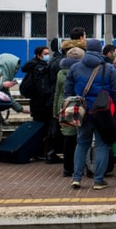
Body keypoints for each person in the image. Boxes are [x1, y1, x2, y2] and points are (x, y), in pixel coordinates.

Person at [65, 39, 116, 190]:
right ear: (100, 50)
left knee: (81, 143)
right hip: (102, 112)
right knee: (102, 145)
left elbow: (68, 90)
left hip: (83, 112)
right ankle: (98, 180)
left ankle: (76, 178)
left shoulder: (75, 67)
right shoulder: (108, 68)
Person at [21, 45, 60, 163]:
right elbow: (43, 88)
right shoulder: (40, 68)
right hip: (42, 104)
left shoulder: (33, 66)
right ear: (39, 55)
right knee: (44, 129)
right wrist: (50, 94)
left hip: (35, 103)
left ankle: (38, 152)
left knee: (39, 128)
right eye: (45, 54)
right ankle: (41, 152)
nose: (48, 56)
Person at [52, 47, 85, 176]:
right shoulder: (82, 71)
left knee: (68, 136)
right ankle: (79, 166)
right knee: (81, 137)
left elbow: (57, 93)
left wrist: (55, 110)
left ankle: (67, 168)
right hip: (79, 105)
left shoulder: (61, 72)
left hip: (65, 105)